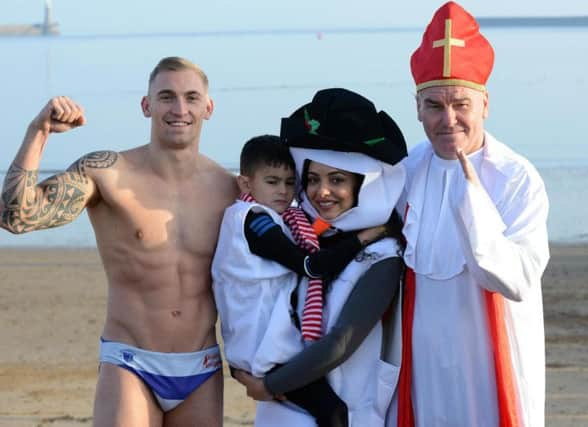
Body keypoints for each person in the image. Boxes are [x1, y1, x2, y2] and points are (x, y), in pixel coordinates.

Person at [0, 56, 237, 426]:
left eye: (191, 97)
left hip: (201, 365)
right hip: (131, 361)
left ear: (208, 107)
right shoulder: (107, 173)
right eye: (166, 97)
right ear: (146, 105)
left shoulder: (230, 189)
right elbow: (16, 217)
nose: (179, 109)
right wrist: (39, 132)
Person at [394, 2, 550, 426]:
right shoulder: (406, 172)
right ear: (417, 108)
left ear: (485, 103)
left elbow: (516, 278)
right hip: (424, 367)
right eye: (433, 106)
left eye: (461, 104)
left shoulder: (516, 178)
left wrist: (474, 200)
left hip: (491, 365)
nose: (449, 120)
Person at [233, 88, 407, 427]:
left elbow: (340, 343)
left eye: (337, 180)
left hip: (347, 410)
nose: (321, 192)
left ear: (365, 184)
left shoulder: (383, 256)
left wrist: (267, 385)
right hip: (282, 409)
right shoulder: (305, 240)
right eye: (312, 179)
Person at [212, 134, 387, 427]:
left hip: (253, 344)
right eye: (272, 181)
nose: (283, 191)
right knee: (334, 413)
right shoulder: (255, 220)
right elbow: (311, 265)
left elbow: (312, 240)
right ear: (245, 184)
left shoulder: (269, 217)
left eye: (290, 182)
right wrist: (370, 234)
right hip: (266, 350)